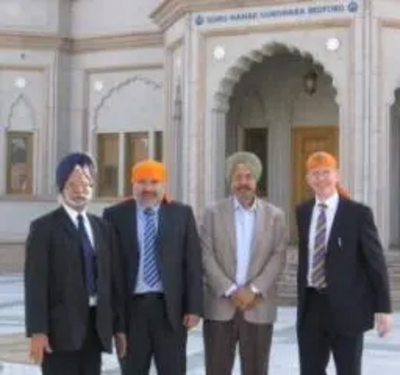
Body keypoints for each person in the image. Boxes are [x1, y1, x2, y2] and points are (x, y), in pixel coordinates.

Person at [24, 152, 126, 375]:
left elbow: (112, 281)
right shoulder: (44, 229)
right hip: (59, 331)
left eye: (86, 184)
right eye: (72, 185)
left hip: (95, 327)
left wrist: (119, 327)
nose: (80, 191)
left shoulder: (102, 228)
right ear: (61, 187)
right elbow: (35, 284)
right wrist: (38, 331)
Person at [296, 151, 393, 375]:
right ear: (308, 179)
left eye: (326, 172)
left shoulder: (357, 214)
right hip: (311, 308)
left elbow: (375, 263)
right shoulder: (303, 212)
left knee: (348, 370)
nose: (321, 178)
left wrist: (383, 308)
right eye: (315, 174)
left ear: (337, 175)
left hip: (347, 309)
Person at [103, 159, 203, 375]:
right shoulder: (114, 216)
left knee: (173, 370)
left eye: (154, 182)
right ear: (132, 184)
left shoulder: (181, 214)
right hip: (132, 313)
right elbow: (109, 272)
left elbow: (192, 263)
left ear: (164, 185)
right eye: (141, 182)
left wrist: (194, 307)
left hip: (170, 312)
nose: (148, 188)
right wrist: (115, 321)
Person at [200, 151, 288, 375]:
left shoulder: (275, 216)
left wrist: (254, 290)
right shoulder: (212, 213)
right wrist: (230, 290)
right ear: (230, 181)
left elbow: (278, 256)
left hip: (258, 306)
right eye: (237, 177)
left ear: (256, 180)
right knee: (217, 369)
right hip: (220, 307)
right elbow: (205, 254)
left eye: (248, 177)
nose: (243, 183)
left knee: (256, 370)